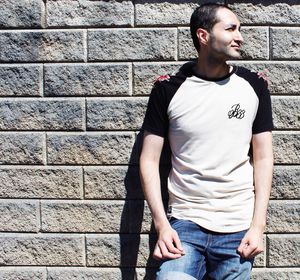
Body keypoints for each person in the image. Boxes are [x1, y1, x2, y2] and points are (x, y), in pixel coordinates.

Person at [139, 3, 273, 280]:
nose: (240, 37)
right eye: (231, 29)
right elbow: (149, 160)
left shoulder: (254, 85)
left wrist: (258, 226)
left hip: (238, 227)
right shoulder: (168, 88)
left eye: (240, 29)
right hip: (185, 225)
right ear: (203, 36)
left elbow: (263, 157)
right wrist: (162, 226)